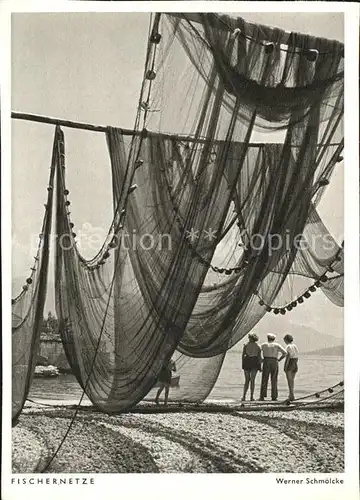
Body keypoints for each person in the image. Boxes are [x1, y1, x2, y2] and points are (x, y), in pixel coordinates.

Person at [259, 334, 287, 401]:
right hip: (274, 361)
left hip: (266, 360)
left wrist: (261, 359)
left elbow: (257, 351)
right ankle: (274, 396)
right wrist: (279, 359)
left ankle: (262, 396)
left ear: (267, 338)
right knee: (274, 379)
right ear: (274, 339)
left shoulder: (264, 345)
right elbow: (285, 353)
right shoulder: (277, 345)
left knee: (264, 379)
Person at [241, 333, 262, 401]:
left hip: (247, 361)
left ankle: (244, 396)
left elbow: (243, 356)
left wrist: (243, 364)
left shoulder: (246, 345)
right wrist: (260, 366)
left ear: (250, 338)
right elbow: (259, 357)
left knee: (247, 380)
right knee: (252, 380)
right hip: (255, 362)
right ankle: (251, 397)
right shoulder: (258, 346)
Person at [283, 334, 299, 401]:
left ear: (286, 340)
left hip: (290, 363)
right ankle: (291, 395)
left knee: (289, 381)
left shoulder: (288, 346)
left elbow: (288, 357)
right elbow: (297, 356)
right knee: (292, 380)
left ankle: (291, 395)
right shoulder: (295, 346)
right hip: (295, 362)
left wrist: (285, 366)